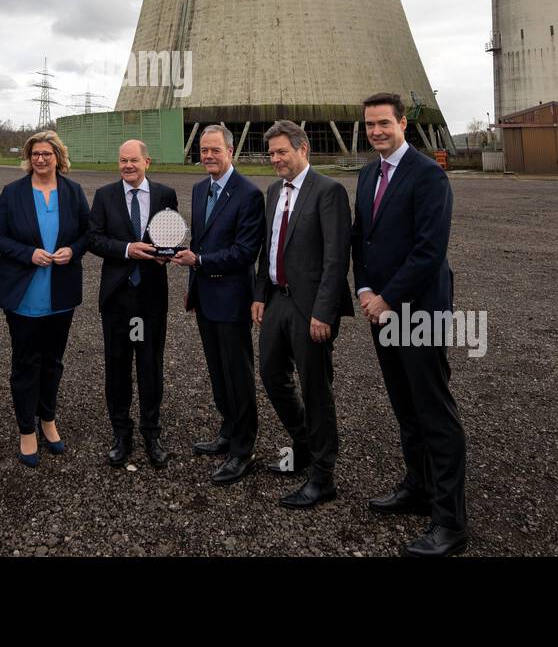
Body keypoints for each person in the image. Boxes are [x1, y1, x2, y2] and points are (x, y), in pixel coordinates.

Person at [352, 92, 468, 557]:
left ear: (403, 123)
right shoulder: (366, 174)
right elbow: (362, 238)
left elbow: (429, 251)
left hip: (419, 312)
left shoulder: (428, 175)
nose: (377, 131)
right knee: (405, 408)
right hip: (380, 310)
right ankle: (418, 488)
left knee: (434, 413)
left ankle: (451, 522)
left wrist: (387, 298)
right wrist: (363, 290)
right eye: (370, 125)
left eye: (384, 123)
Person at [253, 120, 352, 509]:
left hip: (311, 306)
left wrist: (324, 312)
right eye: (272, 153)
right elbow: (268, 246)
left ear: (303, 148)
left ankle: (323, 475)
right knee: (271, 374)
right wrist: (260, 293)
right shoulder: (274, 190)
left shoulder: (328, 191)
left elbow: (335, 258)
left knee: (315, 388)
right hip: (277, 299)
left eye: (282, 151)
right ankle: (303, 444)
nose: (276, 159)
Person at [0, 130, 91, 467]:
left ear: (58, 157)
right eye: (35, 154)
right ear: (29, 157)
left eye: (47, 154)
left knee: (53, 361)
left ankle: (47, 419)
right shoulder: (14, 192)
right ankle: (26, 429)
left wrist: (72, 250)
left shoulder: (73, 191)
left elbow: (87, 234)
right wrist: (28, 253)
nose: (41, 159)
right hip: (23, 293)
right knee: (25, 362)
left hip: (60, 293)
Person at [173, 123, 264, 485]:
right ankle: (227, 429)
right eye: (203, 151)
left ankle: (244, 449)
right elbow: (202, 241)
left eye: (215, 150)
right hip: (206, 297)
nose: (208, 156)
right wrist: (194, 284)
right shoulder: (199, 189)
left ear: (231, 152)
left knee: (238, 373)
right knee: (217, 371)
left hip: (231, 298)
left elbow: (245, 252)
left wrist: (200, 264)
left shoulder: (248, 194)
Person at [87, 139, 178, 468]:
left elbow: (170, 234)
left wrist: (166, 255)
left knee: (150, 365)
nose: (127, 166)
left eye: (134, 160)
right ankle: (121, 432)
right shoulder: (105, 196)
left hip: (151, 297)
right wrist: (126, 250)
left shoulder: (165, 195)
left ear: (147, 162)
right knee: (117, 366)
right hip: (117, 297)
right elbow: (93, 238)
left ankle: (151, 432)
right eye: (123, 160)